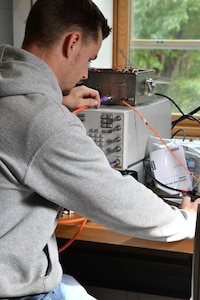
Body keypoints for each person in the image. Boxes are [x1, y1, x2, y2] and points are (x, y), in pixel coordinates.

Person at [0, 0, 200, 299]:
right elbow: (118, 201)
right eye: (90, 60)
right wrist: (186, 221)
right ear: (73, 42)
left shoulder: (16, 96)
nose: (85, 73)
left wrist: (55, 100)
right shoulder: (41, 120)